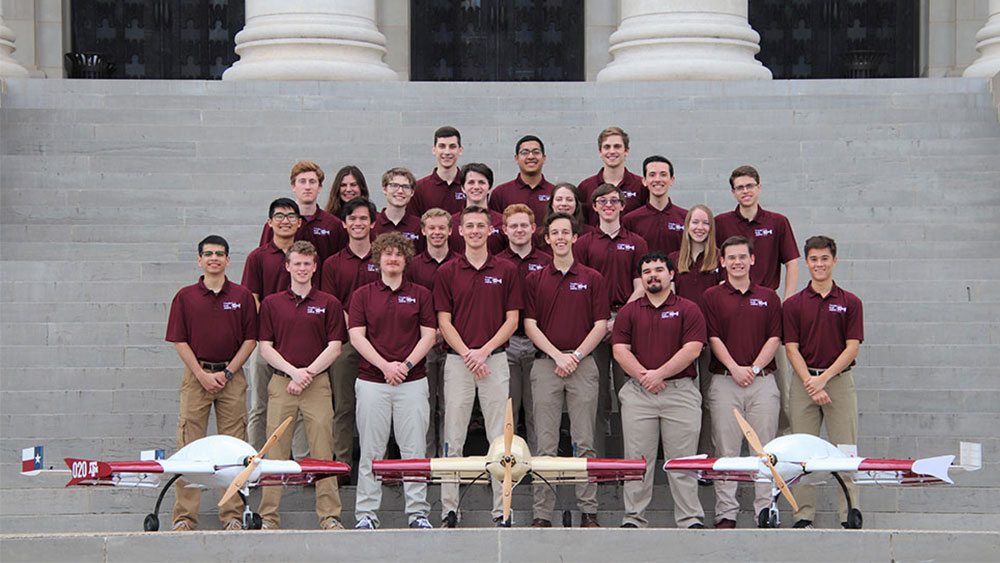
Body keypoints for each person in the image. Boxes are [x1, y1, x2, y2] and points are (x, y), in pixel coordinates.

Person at [434, 206, 522, 526]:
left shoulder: (507, 270)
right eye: (468, 225)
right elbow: (444, 321)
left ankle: (503, 510)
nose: (474, 231)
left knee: (500, 439)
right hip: (458, 363)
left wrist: (484, 351)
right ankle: (449, 509)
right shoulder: (447, 272)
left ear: (490, 230)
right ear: (460, 231)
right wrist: (469, 354)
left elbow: (512, 320)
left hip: (494, 360)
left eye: (480, 226)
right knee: (453, 436)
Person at [165, 235, 257, 531]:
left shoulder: (242, 296)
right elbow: (179, 340)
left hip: (232, 377)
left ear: (228, 260)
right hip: (197, 376)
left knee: (234, 450)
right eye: (208, 254)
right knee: (189, 448)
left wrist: (229, 372)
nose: (214, 258)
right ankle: (184, 517)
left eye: (220, 253)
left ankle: (232, 515)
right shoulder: (185, 296)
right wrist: (202, 375)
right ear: (199, 260)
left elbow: (250, 339)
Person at [524, 213, 609, 528]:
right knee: (545, 444)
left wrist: (574, 355)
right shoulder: (535, 278)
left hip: (582, 365)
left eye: (566, 232)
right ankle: (542, 514)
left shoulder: (592, 277)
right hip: (546, 365)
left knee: (584, 441)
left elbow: (600, 324)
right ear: (546, 238)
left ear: (575, 237)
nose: (560, 237)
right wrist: (557, 355)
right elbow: (529, 325)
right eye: (554, 233)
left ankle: (588, 511)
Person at [349, 232, 437, 530]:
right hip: (373, 381)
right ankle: (366, 513)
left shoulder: (421, 294)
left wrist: (406, 365)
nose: (393, 258)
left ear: (406, 259)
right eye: (387, 254)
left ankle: (417, 513)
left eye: (398, 254)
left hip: (412, 382)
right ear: (379, 259)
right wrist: (386, 366)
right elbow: (356, 336)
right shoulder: (362, 295)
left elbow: (429, 335)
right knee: (372, 450)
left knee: (414, 450)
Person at [613, 252, 706, 529]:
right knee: (637, 460)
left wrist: (659, 374)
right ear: (641, 279)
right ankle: (633, 518)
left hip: (679, 392)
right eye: (646, 272)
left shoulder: (689, 309)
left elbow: (693, 348)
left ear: (671, 274)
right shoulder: (629, 312)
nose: (653, 275)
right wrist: (646, 377)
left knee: (682, 461)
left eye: (658, 270)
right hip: (640, 394)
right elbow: (619, 350)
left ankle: (690, 519)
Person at [257, 241, 346, 530]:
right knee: (276, 451)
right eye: (297, 263)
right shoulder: (272, 303)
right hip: (282, 383)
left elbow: (334, 347)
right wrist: (293, 372)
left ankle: (329, 516)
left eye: (307, 263)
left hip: (317, 384)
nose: (302, 268)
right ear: (287, 266)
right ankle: (268, 517)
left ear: (315, 266)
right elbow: (265, 347)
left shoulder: (328, 303)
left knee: (323, 449)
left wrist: (307, 373)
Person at [701, 236, 782, 528]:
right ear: (722, 261)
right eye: (731, 257)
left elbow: (775, 337)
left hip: (762, 382)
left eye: (742, 257)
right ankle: (726, 513)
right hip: (725, 381)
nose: (737, 262)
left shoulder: (769, 296)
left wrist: (754, 367)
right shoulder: (712, 296)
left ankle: (765, 510)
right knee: (726, 450)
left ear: (752, 259)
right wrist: (735, 368)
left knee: (765, 450)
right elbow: (713, 338)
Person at [783, 236, 863, 529]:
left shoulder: (850, 302)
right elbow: (791, 348)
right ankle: (803, 515)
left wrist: (824, 379)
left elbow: (852, 347)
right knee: (802, 453)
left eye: (825, 258)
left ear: (834, 260)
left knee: (845, 449)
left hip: (838, 381)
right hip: (804, 381)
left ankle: (850, 514)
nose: (819, 264)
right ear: (806, 263)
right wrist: (810, 382)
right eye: (814, 259)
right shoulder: (793, 304)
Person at [716, 165, 800, 436]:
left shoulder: (777, 222)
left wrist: (785, 302)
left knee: (779, 383)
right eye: (740, 187)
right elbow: (713, 259)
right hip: (731, 307)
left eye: (750, 185)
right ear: (733, 192)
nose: (745, 191)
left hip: (767, 308)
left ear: (759, 188)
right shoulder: (722, 223)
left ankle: (782, 443)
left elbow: (792, 263)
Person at [574, 183, 648, 455]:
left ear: (622, 205)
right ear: (593, 206)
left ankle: (631, 458)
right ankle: (598, 462)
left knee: (628, 392)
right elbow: (580, 287)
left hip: (625, 322)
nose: (608, 206)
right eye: (602, 201)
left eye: (614, 201)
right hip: (593, 324)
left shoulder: (636, 242)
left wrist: (618, 321)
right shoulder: (583, 244)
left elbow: (640, 286)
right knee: (595, 395)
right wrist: (601, 322)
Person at [243, 199, 308, 455]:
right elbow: (252, 298)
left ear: (299, 223)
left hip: (302, 343)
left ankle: (301, 460)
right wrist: (270, 331)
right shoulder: (257, 257)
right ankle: (256, 459)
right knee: (260, 404)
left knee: (303, 402)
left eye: (291, 216)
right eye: (279, 216)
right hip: (266, 344)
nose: (285, 220)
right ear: (270, 222)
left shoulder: (306, 256)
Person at [321, 198, 381, 471]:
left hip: (381, 345)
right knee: (344, 406)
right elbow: (332, 304)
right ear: (344, 224)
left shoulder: (383, 259)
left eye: (363, 219)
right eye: (353, 219)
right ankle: (342, 464)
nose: (358, 224)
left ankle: (383, 464)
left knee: (382, 406)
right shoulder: (333, 264)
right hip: (346, 343)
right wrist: (356, 328)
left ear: (373, 223)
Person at [668, 204, 724, 457]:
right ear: (686, 226)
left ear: (711, 229)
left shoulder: (720, 259)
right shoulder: (673, 259)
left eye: (705, 223)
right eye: (695, 222)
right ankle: (687, 457)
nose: (699, 228)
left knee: (710, 400)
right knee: (686, 400)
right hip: (683, 342)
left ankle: (707, 456)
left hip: (713, 341)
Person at [498, 204, 553, 452]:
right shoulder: (496, 263)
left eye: (523, 225)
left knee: (537, 410)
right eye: (513, 226)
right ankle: (505, 464)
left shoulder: (547, 263)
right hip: (505, 345)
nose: (519, 230)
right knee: (506, 409)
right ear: (504, 230)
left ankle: (535, 465)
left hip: (538, 345)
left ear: (533, 229)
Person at [406, 208, 460, 457]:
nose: (437, 232)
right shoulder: (413, 266)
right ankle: (426, 458)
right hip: (422, 346)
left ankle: (448, 459)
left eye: (442, 228)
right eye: (432, 228)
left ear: (450, 231)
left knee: (451, 406)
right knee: (425, 405)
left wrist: (444, 332)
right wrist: (431, 333)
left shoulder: (462, 263)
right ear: (423, 230)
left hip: (455, 347)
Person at [259, 160, 348, 281]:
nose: (307, 187)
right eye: (302, 181)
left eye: (312, 182)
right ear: (293, 186)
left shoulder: (333, 225)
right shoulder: (277, 224)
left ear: (320, 187)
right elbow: (264, 259)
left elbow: (340, 266)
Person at [578, 127, 647, 224]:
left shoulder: (641, 186)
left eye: (617, 146)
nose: (612, 151)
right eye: (607, 147)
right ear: (600, 152)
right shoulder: (585, 187)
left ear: (626, 151)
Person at [621, 155, 687, 255]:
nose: (657, 179)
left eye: (663, 174)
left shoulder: (686, 217)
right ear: (644, 181)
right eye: (652, 175)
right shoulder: (630, 220)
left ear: (672, 180)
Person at [489, 135, 555, 226]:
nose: (531, 156)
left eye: (536, 152)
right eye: (525, 152)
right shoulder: (500, 193)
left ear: (544, 158)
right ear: (516, 158)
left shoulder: (554, 193)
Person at [449, 162, 506, 254]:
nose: (476, 187)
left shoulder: (502, 222)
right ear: (463, 188)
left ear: (490, 187)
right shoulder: (451, 222)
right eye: (471, 182)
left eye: (481, 182)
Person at [411, 126, 465, 216]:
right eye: (442, 146)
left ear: (460, 150)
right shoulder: (419, 189)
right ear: (434, 150)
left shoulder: (470, 186)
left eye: (452, 146)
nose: (447, 152)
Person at [372, 167, 425, 254]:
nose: (400, 191)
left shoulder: (419, 226)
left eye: (406, 187)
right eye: (394, 185)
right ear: (384, 189)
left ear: (412, 192)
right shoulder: (372, 224)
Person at [536, 182, 593, 248]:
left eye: (569, 200)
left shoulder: (590, 234)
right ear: (551, 204)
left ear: (576, 204)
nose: (564, 203)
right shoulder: (538, 235)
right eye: (559, 199)